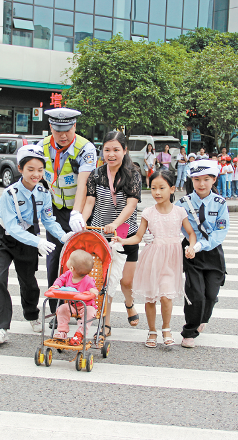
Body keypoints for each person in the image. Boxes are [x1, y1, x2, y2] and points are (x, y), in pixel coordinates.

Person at [0, 145, 72, 344]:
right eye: (31, 169)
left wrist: (63, 237)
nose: (36, 174)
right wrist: (38, 241)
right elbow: (12, 227)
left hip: (28, 240)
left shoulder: (44, 192)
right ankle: (0, 328)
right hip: (5, 239)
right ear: (20, 169)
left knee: (29, 282)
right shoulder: (9, 194)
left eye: (40, 170)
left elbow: (49, 220)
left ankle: (32, 315)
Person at [114, 170, 196, 347]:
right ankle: (152, 330)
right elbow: (138, 236)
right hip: (152, 259)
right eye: (153, 188)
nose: (157, 192)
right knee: (151, 297)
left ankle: (166, 328)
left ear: (172, 189)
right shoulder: (148, 213)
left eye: (162, 188)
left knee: (166, 296)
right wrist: (123, 240)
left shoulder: (180, 212)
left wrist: (191, 247)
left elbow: (190, 233)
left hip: (171, 260)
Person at [81, 131, 142, 337]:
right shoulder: (96, 174)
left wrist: (115, 224)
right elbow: (90, 202)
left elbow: (131, 205)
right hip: (100, 234)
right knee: (105, 281)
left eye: (116, 149)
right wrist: (82, 220)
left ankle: (129, 302)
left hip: (125, 235)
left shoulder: (133, 174)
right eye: (107, 150)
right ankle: (106, 322)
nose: (111, 154)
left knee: (125, 281)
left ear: (124, 150)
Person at [37, 108, 97, 312]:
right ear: (50, 127)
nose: (62, 136)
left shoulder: (85, 148)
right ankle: (57, 309)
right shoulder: (42, 146)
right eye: (57, 130)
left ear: (75, 126)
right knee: (54, 258)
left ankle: (82, 306)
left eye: (67, 130)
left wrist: (77, 213)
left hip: (77, 211)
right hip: (53, 208)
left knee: (80, 258)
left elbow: (83, 183)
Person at [175, 160, 229, 348]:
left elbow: (220, 232)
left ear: (214, 179)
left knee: (211, 294)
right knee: (195, 293)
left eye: (206, 179)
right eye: (197, 179)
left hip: (213, 252)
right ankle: (189, 332)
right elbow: (170, 221)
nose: (202, 184)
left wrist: (201, 245)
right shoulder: (182, 203)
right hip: (191, 253)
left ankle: (202, 317)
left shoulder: (220, 203)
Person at [51, 249, 99, 345]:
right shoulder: (68, 274)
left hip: (85, 305)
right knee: (62, 309)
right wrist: (57, 285)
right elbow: (61, 279)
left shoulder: (88, 280)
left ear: (72, 267)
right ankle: (62, 331)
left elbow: (92, 289)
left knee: (90, 311)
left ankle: (80, 333)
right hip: (71, 305)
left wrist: (93, 291)